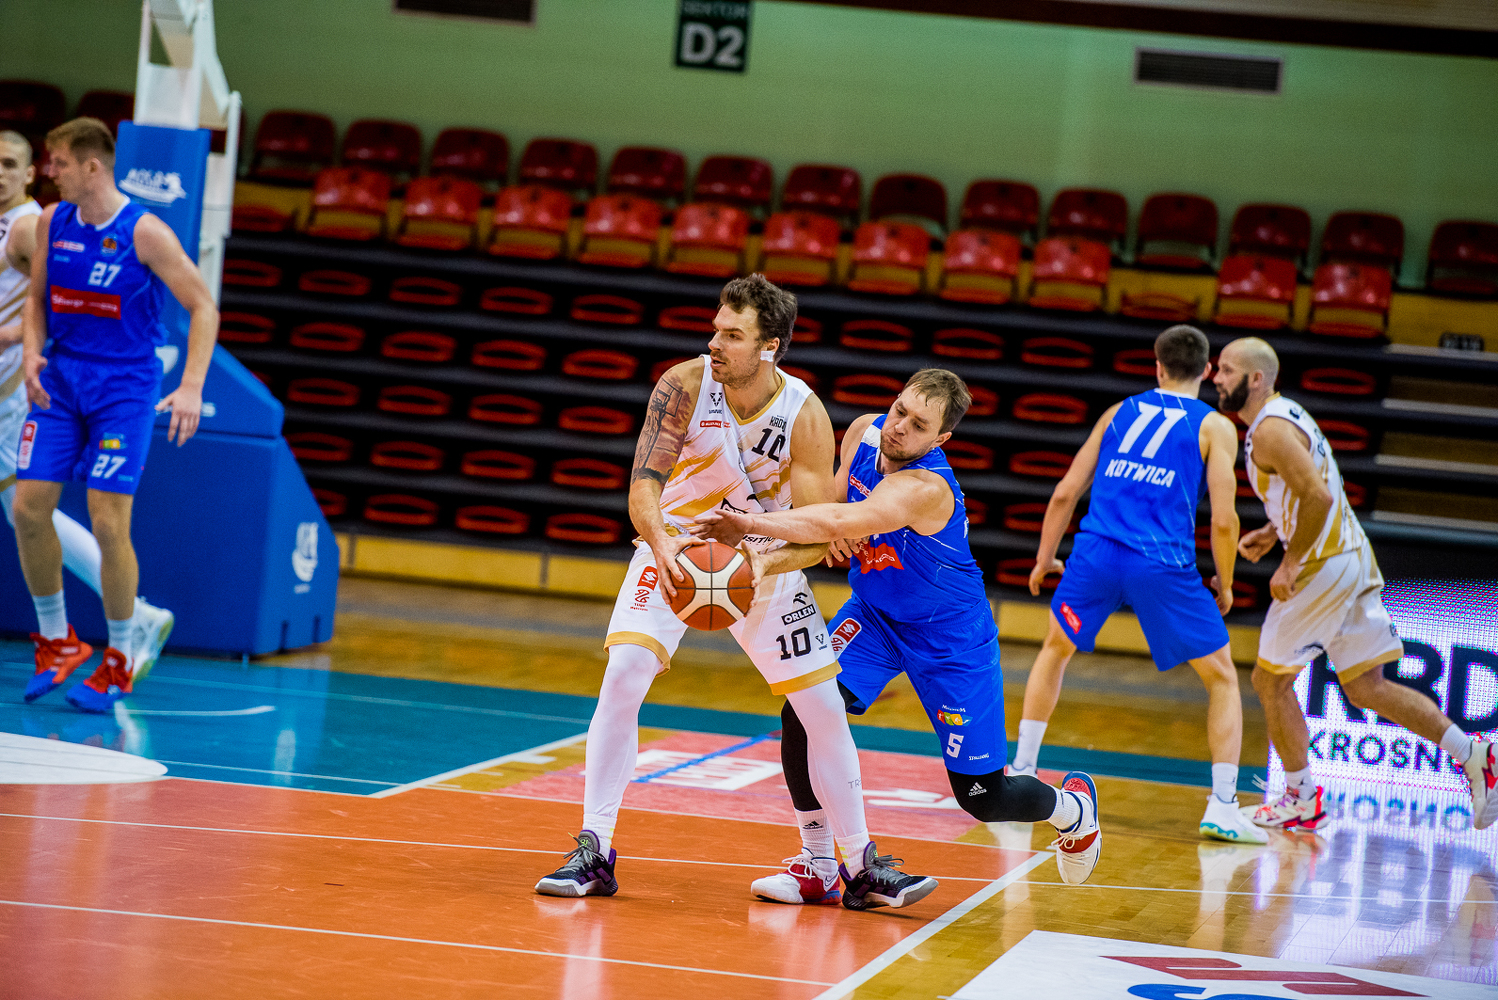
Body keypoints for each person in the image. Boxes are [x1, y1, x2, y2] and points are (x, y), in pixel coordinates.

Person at [535, 275, 937, 910]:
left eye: (732, 335)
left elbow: (815, 534)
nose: (714, 344)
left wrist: (761, 558)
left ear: (769, 346)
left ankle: (861, 866)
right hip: (676, 548)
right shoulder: (682, 385)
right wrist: (660, 542)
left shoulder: (802, 412)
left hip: (762, 559)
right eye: (715, 330)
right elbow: (643, 485)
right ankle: (595, 850)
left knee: (822, 708)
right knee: (624, 672)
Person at [695, 368, 1103, 894]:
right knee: (804, 709)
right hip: (874, 619)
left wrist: (753, 526)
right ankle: (818, 863)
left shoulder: (925, 488)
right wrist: (834, 532)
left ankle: (1072, 809)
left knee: (983, 797)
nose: (899, 427)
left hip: (951, 640)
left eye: (918, 425)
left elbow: (840, 520)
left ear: (941, 439)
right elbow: (832, 512)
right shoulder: (863, 432)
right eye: (900, 410)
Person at [1215, 337, 1496, 832]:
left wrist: (1291, 562)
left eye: (1226, 369)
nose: (1217, 378)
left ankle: (1301, 797)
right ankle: (1475, 754)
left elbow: (1319, 497)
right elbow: (1317, 487)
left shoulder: (1270, 431)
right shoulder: (1288, 414)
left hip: (1323, 566)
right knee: (1367, 687)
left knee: (1269, 681)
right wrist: (1274, 530)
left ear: (1255, 379)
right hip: (1350, 559)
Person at [1018, 325, 1266, 844]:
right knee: (1222, 677)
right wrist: (1225, 582)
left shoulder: (1117, 411)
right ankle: (1223, 805)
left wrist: (1045, 558)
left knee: (1055, 649)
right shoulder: (1214, 426)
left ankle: (1022, 769)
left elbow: (1065, 492)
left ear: (1157, 365)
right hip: (1162, 562)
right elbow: (1224, 520)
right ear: (1206, 371)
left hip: (1097, 554)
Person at [13, 118, 216, 713]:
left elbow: (203, 306)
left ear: (92, 166)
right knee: (27, 509)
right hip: (60, 378)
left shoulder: (145, 232)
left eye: (59, 163)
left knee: (108, 523)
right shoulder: (53, 221)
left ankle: (122, 653)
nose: (51, 173)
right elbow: (36, 298)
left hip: (123, 387)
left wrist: (191, 387)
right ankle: (57, 640)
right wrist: (31, 351)